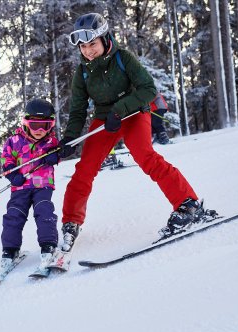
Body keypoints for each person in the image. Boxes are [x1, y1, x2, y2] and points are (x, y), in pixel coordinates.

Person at [57, 13, 215, 253]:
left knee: (145, 156)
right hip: (104, 121)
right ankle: (70, 223)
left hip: (133, 113)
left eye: (92, 44)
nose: (88, 51)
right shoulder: (83, 72)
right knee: (84, 169)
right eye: (83, 46)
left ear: (104, 39)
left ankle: (188, 205)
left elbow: (148, 89)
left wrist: (120, 110)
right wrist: (69, 137)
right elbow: (78, 110)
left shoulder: (123, 58)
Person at [0, 98, 60, 273]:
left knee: (44, 212)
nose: (40, 131)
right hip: (21, 187)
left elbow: (58, 153)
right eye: (34, 125)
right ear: (26, 123)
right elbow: (7, 159)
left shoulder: (51, 142)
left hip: (43, 186)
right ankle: (9, 250)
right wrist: (12, 174)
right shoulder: (14, 141)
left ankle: (48, 246)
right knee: (13, 215)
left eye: (45, 126)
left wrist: (54, 156)